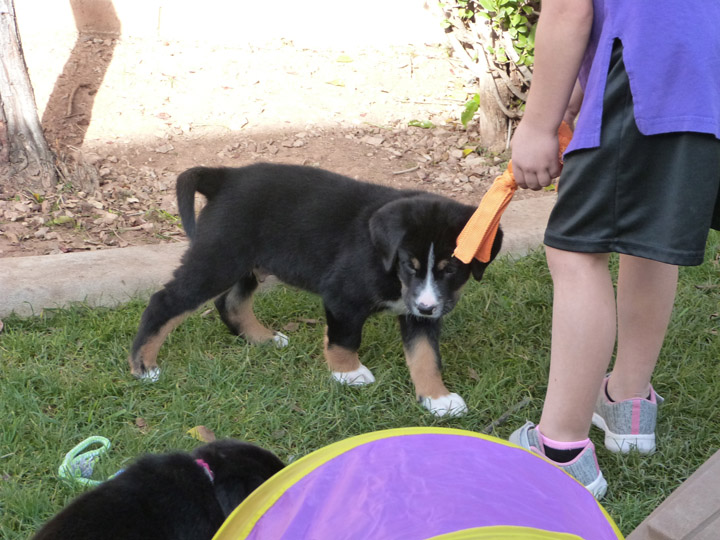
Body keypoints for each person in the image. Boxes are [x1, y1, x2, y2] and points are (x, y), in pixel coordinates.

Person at [507, 0, 720, 499]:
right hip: (704, 62)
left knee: (577, 252)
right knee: (648, 236)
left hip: (651, 64)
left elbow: (568, 8)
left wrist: (539, 125)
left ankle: (558, 450)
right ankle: (627, 400)